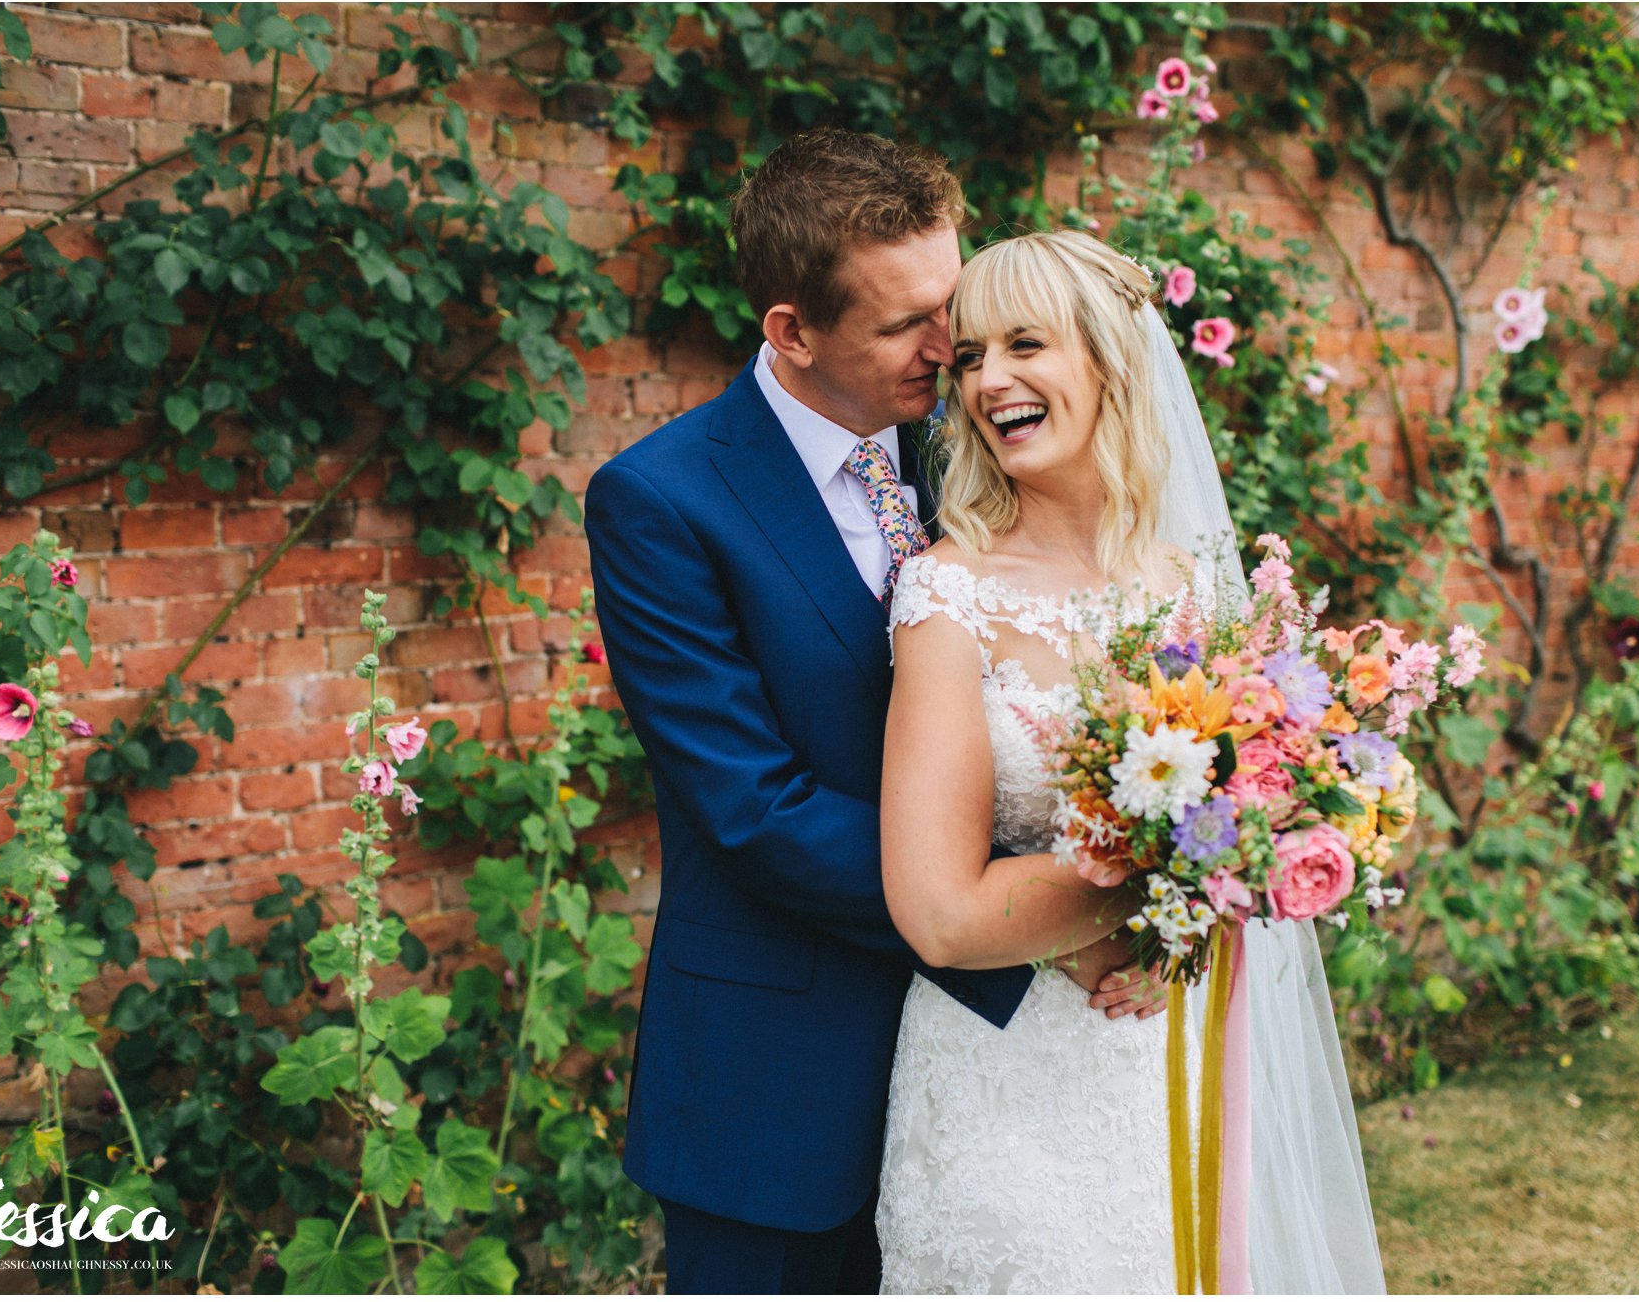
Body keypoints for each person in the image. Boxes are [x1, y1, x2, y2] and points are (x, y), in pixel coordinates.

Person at [584, 131, 1153, 1296]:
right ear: (791, 331)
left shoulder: (979, 451)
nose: (955, 353)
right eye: (909, 326)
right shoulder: (662, 502)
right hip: (779, 1079)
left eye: (956, 307)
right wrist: (1036, 912)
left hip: (1003, 1086)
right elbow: (753, 806)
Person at [876, 229, 1390, 1293]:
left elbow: (1243, 814)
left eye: (1026, 343)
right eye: (969, 355)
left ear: (1112, 359)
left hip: (1166, 1050)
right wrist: (1143, 897)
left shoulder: (1194, 587)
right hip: (1006, 1076)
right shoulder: (946, 594)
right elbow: (938, 911)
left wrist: (1198, 910)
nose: (989, 379)